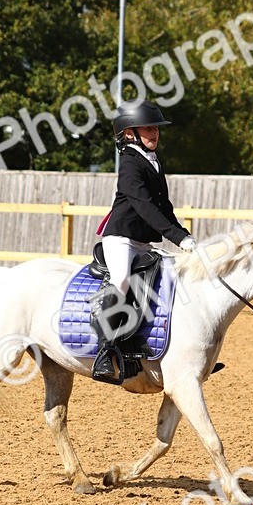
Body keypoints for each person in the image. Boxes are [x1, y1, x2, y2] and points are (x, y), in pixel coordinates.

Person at [90, 99, 195, 383]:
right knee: (123, 280)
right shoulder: (129, 164)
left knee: (168, 278)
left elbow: (164, 206)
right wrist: (176, 238)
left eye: (156, 129)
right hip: (121, 239)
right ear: (129, 133)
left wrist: (184, 235)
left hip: (143, 242)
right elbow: (145, 207)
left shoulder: (153, 161)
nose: (154, 133)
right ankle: (105, 349)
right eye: (147, 129)